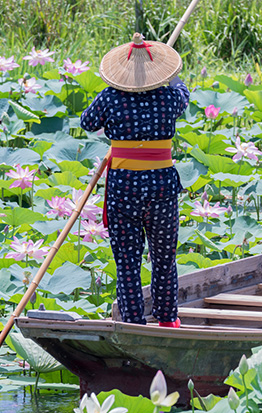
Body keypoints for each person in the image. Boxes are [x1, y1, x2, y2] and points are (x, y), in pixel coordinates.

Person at [80, 33, 190, 327]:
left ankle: (133, 323)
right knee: (164, 258)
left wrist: (110, 93)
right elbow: (184, 95)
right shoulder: (170, 97)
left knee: (127, 263)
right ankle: (167, 319)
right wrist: (174, 78)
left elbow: (87, 123)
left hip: (124, 187)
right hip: (161, 187)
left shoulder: (110, 98)